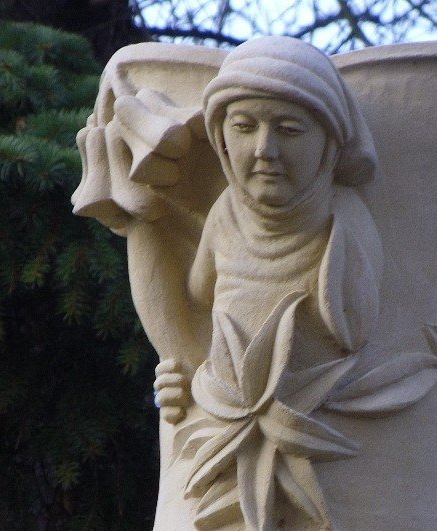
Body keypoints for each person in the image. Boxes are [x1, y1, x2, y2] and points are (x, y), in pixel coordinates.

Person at [154, 36, 384, 420]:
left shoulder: (344, 217)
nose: (265, 149)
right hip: (222, 410)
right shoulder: (225, 212)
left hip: (314, 415)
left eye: (290, 129)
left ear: (328, 142)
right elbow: (198, 294)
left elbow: (356, 331)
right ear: (220, 140)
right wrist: (179, 370)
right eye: (243, 126)